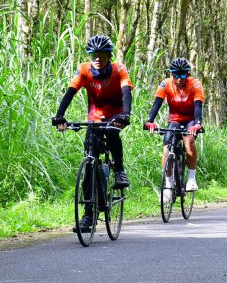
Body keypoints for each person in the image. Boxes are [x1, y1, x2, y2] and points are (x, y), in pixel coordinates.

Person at [52, 34, 134, 233]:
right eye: (93, 54)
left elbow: (126, 92)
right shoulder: (84, 70)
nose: (97, 58)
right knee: (90, 161)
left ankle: (120, 171)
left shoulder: (119, 69)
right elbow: (70, 92)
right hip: (95, 116)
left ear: (108, 55)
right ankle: (88, 216)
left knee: (113, 133)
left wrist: (125, 114)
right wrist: (60, 115)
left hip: (115, 114)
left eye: (101, 54)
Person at [144, 57, 205, 197]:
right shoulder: (165, 84)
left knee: (189, 141)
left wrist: (197, 124)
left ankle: (191, 177)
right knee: (166, 148)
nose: (179, 79)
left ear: (188, 75)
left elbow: (198, 106)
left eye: (182, 75)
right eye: (175, 75)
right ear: (171, 74)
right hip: (174, 120)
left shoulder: (195, 84)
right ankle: (168, 183)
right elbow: (157, 103)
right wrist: (150, 120)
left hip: (190, 120)